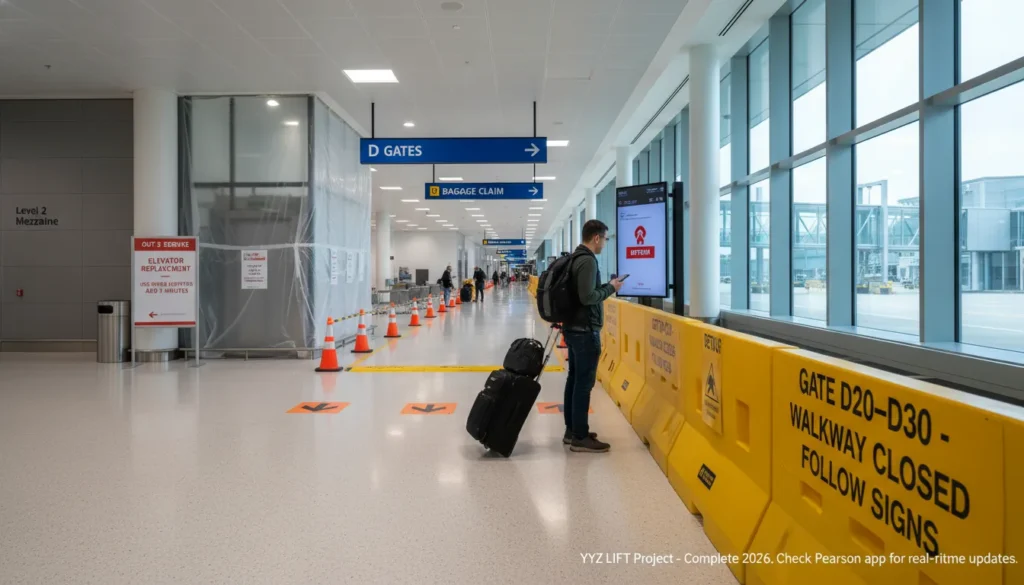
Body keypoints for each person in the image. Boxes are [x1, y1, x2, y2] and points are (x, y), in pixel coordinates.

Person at [562, 219, 624, 453]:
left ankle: (572, 430)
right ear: (596, 238)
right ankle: (579, 436)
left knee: (574, 379)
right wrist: (611, 288)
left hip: (573, 327)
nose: (605, 244)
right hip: (585, 330)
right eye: (605, 239)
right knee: (583, 384)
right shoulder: (587, 261)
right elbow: (587, 297)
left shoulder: (574, 258)